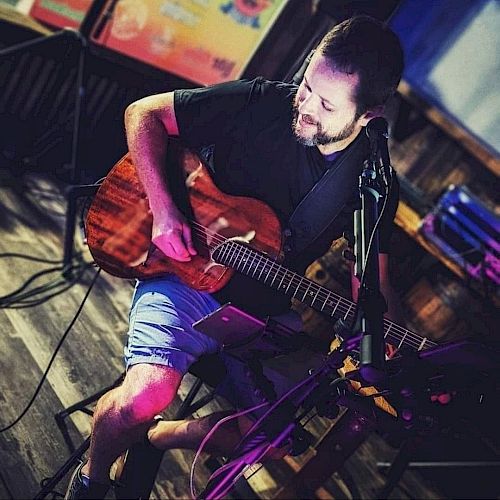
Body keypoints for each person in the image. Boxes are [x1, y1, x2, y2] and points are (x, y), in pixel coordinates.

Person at [65, 15, 404, 499]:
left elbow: (371, 285)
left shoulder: (372, 185)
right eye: (307, 86)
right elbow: (143, 114)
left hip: (260, 315)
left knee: (280, 437)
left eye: (326, 105)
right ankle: (92, 481)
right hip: (184, 276)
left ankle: (160, 436)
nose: (304, 106)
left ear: (368, 115)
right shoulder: (264, 102)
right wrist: (164, 211)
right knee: (144, 396)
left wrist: (391, 339)